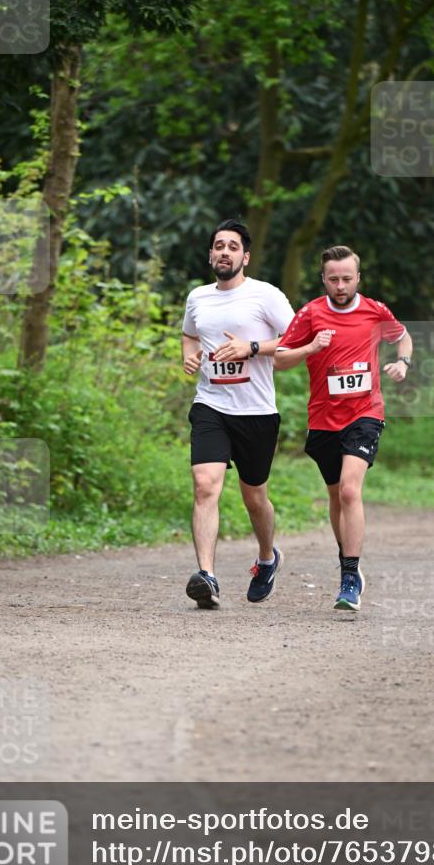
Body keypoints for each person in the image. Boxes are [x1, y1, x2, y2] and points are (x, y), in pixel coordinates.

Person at [274, 244, 412, 614]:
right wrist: (310, 348)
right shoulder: (310, 313)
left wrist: (404, 362)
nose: (340, 285)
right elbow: (280, 360)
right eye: (333, 279)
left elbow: (401, 336)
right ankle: (348, 554)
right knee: (336, 496)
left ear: (357, 278)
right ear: (323, 279)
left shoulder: (374, 310)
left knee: (351, 491)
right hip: (323, 418)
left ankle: (349, 577)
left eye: (346, 278)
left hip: (365, 412)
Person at [181, 220, 295, 610]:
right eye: (218, 246)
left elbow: (297, 340)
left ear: (245, 257)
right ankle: (207, 577)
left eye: (232, 247)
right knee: (205, 485)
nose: (224, 252)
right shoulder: (198, 297)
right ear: (210, 255)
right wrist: (188, 354)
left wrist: (252, 347)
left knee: (254, 496)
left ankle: (267, 558)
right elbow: (190, 333)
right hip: (211, 404)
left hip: (257, 411)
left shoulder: (266, 295)